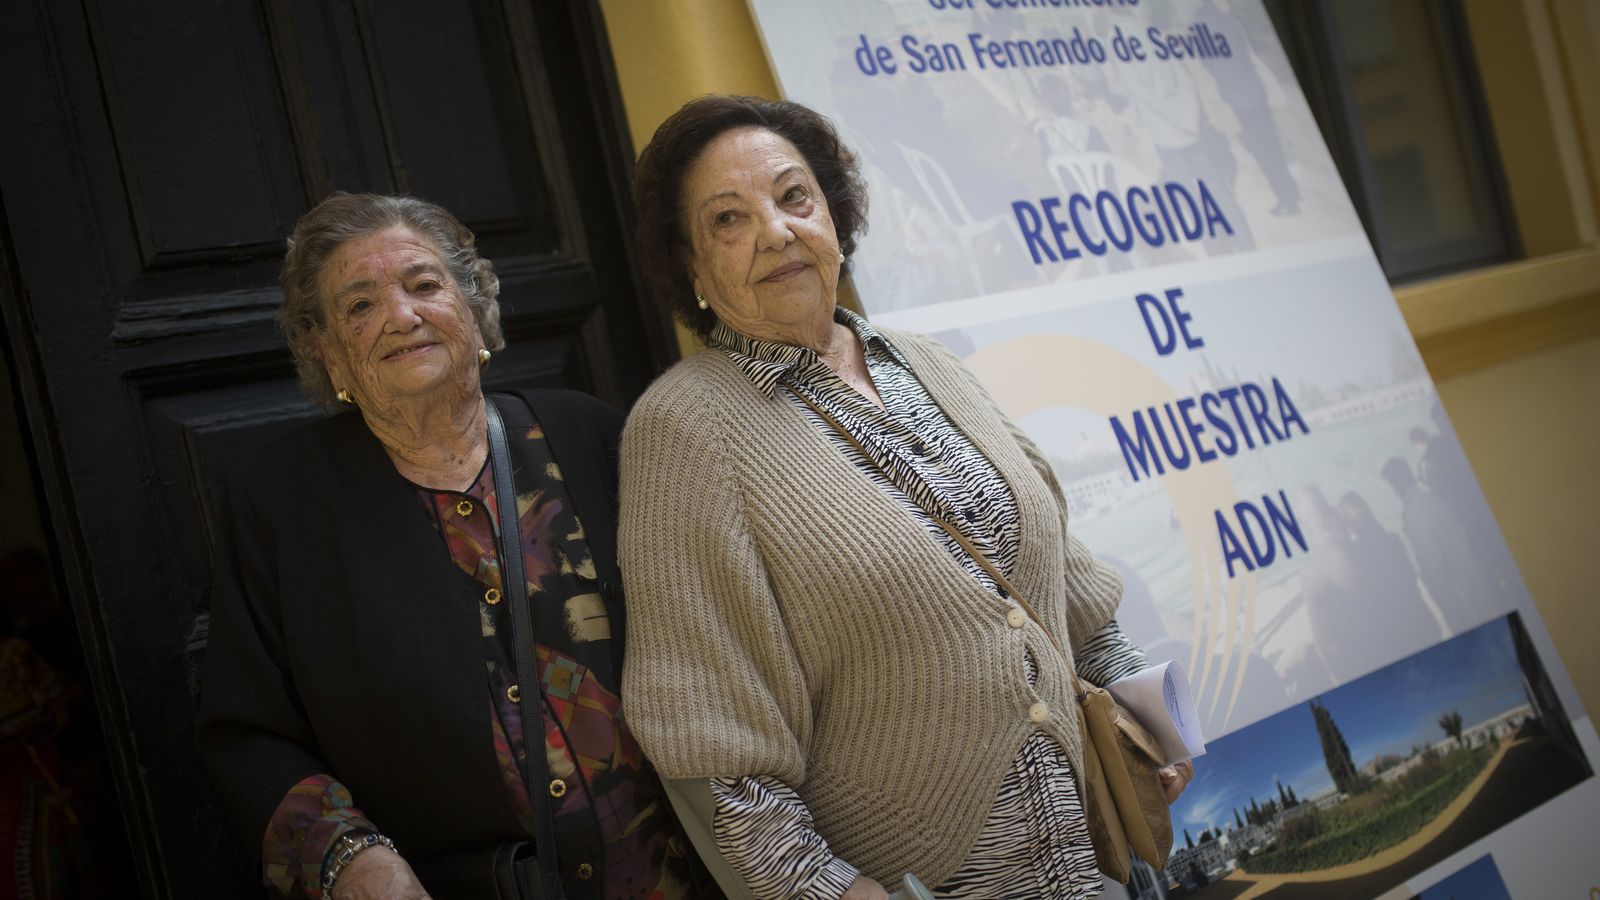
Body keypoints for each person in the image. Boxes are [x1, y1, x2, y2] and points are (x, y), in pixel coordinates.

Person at [618, 95, 1192, 900]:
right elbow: (716, 751)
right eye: (728, 220)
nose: (778, 231)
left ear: (833, 215)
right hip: (930, 878)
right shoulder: (683, 431)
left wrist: (1151, 727)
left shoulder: (923, 359)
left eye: (794, 197)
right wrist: (826, 891)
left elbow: (1063, 582)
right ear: (691, 266)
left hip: (1100, 852)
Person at [198, 193, 704, 900]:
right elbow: (250, 733)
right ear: (324, 347)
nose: (401, 317)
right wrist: (349, 856)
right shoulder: (280, 505)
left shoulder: (592, 438)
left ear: (473, 304)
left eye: (424, 285)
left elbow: (714, 636)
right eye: (360, 305)